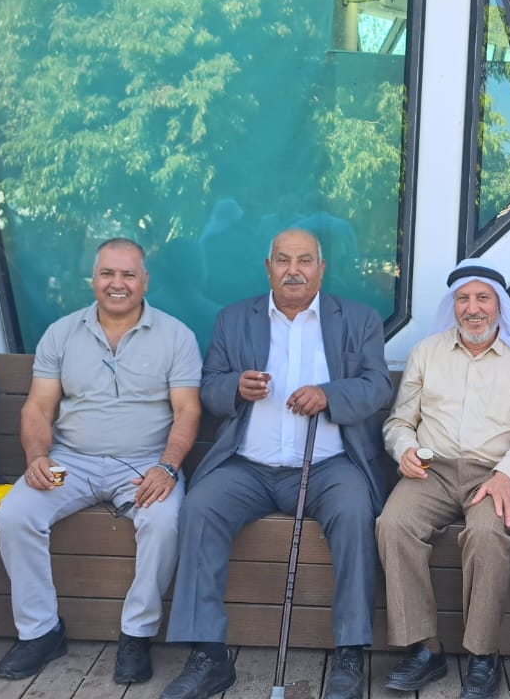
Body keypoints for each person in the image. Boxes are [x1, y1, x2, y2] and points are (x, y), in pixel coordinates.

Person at [160, 228, 392, 699]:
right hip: (247, 466)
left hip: (329, 465)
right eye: (283, 260)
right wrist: (234, 388)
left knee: (355, 513)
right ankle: (209, 655)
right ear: (268, 268)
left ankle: (349, 654)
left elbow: (377, 386)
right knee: (199, 508)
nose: (294, 270)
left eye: (305, 260)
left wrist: (330, 394)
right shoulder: (233, 318)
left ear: (321, 269)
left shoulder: (359, 319)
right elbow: (209, 386)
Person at [0, 238, 202, 685]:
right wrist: (37, 457)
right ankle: (40, 632)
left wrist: (167, 466)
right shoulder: (61, 333)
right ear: (93, 279)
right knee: (14, 513)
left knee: (164, 521)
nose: (117, 283)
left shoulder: (176, 336)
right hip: (71, 462)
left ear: (145, 281)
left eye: (128, 274)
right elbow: (38, 408)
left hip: (144, 463)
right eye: (107, 273)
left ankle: (137, 634)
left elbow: (187, 410)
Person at [377, 260, 510, 699]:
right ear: (453, 305)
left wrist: (506, 475)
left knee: (488, 533)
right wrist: (404, 449)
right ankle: (425, 649)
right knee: (394, 524)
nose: (473, 309)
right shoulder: (426, 352)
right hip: (432, 469)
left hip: (497, 473)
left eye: (482, 298)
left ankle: (483, 656)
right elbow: (399, 421)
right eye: (463, 299)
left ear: (499, 305)